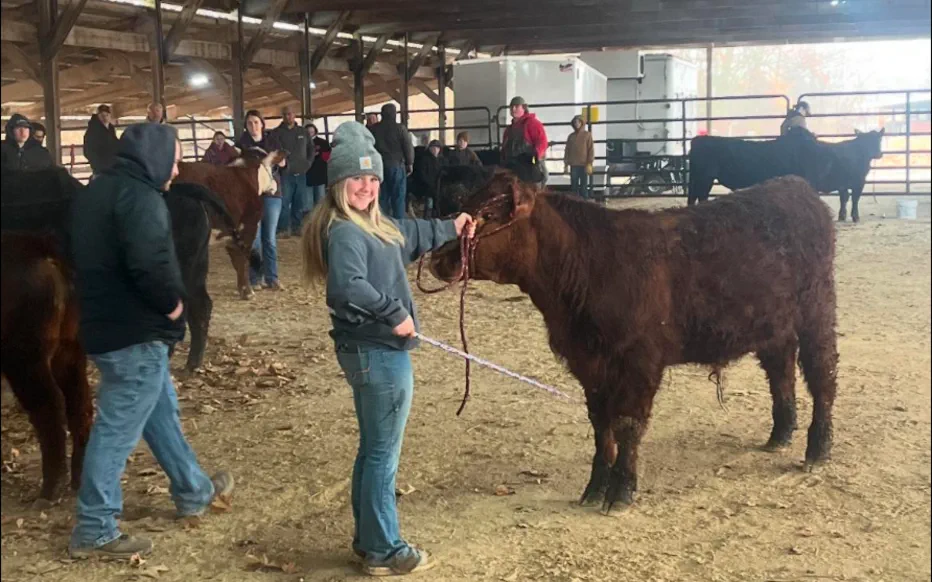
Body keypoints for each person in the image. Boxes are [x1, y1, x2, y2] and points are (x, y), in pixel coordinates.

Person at [300, 121, 474, 576]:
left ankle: (368, 540)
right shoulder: (346, 232)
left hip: (369, 351)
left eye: (373, 177)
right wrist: (393, 312)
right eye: (357, 177)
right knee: (382, 455)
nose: (367, 186)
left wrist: (451, 226)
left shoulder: (372, 225)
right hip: (377, 352)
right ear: (338, 182)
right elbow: (346, 287)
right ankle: (384, 550)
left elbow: (409, 234)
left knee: (373, 449)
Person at [68, 123, 233, 560]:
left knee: (160, 413)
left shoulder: (96, 191)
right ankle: (94, 527)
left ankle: (193, 490)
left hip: (104, 324)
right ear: (154, 158)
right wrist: (174, 305)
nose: (177, 170)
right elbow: (150, 263)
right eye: (174, 161)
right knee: (116, 429)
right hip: (136, 331)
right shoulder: (141, 199)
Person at [237, 110, 284, 291]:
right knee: (254, 239)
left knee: (269, 238)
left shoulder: (273, 142)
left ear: (262, 124)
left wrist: (281, 162)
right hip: (250, 195)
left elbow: (284, 164)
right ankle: (255, 278)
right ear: (246, 126)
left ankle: (272, 277)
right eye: (250, 123)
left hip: (272, 193)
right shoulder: (241, 144)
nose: (253, 126)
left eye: (256, 122)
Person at [271, 106, 314, 237]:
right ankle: (283, 229)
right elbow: (273, 151)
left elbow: (311, 148)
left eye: (290, 114)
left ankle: (297, 227)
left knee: (299, 202)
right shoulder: (276, 133)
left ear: (295, 115)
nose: (287, 116)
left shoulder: (303, 132)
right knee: (284, 202)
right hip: (284, 174)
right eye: (285, 114)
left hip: (301, 172)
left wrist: (308, 163)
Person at [369, 103, 414, 219]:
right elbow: (408, 146)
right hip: (396, 165)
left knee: (382, 197)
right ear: (394, 114)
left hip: (378, 166)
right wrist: (410, 163)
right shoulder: (400, 128)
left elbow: (368, 146)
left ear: (382, 114)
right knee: (398, 197)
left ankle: (382, 223)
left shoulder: (374, 129)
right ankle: (399, 224)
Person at [501, 96, 549, 184]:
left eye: (516, 106)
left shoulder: (532, 123)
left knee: (535, 180)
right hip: (513, 165)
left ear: (524, 108)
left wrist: (534, 156)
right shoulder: (508, 130)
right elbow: (504, 148)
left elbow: (542, 142)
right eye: (511, 107)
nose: (513, 109)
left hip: (529, 164)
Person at [83, 104, 120, 177]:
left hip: (110, 166)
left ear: (110, 116)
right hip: (100, 168)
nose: (105, 117)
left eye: (107, 115)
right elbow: (88, 150)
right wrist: (97, 164)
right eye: (102, 115)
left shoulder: (110, 129)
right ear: (98, 116)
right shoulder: (93, 130)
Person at [563, 115, 594, 199]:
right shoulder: (571, 136)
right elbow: (567, 150)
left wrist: (589, 163)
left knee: (584, 186)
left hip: (584, 165)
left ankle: (584, 202)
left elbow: (590, 150)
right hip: (574, 165)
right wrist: (566, 164)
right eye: (575, 122)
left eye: (578, 122)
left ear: (582, 123)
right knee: (574, 186)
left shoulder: (587, 135)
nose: (576, 124)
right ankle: (575, 202)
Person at [305, 123, 331, 214]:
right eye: (308, 132)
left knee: (320, 201)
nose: (310, 133)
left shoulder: (323, 142)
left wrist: (318, 155)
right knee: (308, 203)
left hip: (320, 175)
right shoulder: (301, 143)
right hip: (306, 175)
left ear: (315, 131)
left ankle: (320, 219)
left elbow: (328, 157)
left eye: (312, 131)